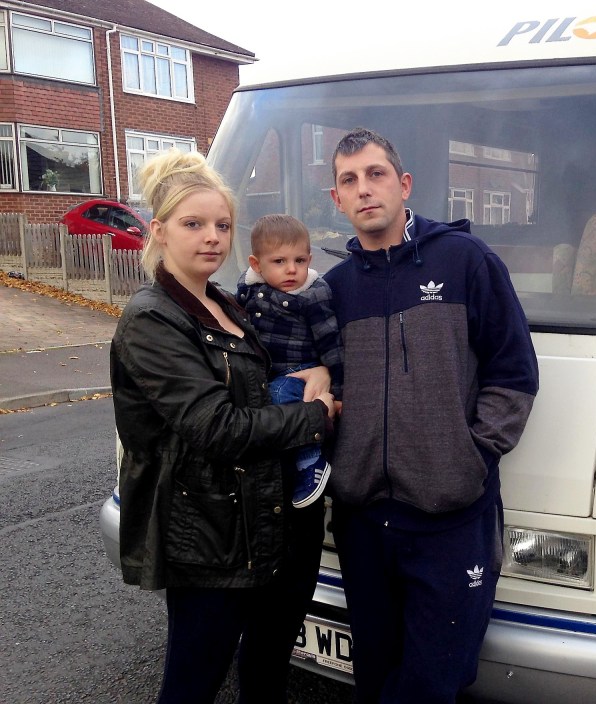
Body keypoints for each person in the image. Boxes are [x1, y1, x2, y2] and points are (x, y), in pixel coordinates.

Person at [323, 127, 539, 703]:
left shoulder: (466, 261)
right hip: (365, 521)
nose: (365, 189)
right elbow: (324, 386)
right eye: (350, 180)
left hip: (451, 518)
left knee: (434, 680)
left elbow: (513, 371)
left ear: (404, 184)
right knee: (375, 675)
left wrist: (470, 456)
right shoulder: (334, 290)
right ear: (336, 199)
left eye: (376, 174)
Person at [110, 150, 334, 704]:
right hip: (211, 538)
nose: (212, 238)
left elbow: (273, 377)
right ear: (159, 232)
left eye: (222, 225)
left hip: (275, 522)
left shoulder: (230, 304)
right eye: (193, 224)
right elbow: (217, 427)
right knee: (194, 680)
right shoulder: (152, 319)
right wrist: (317, 415)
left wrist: (321, 369)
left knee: (266, 670)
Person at [236, 213, 342, 508]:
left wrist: (340, 390)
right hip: (268, 372)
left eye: (300, 260)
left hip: (301, 369)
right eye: (279, 262)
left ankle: (311, 462)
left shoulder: (313, 295)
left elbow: (331, 343)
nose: (291, 270)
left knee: (281, 395)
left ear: (310, 259)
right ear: (256, 265)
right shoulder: (247, 291)